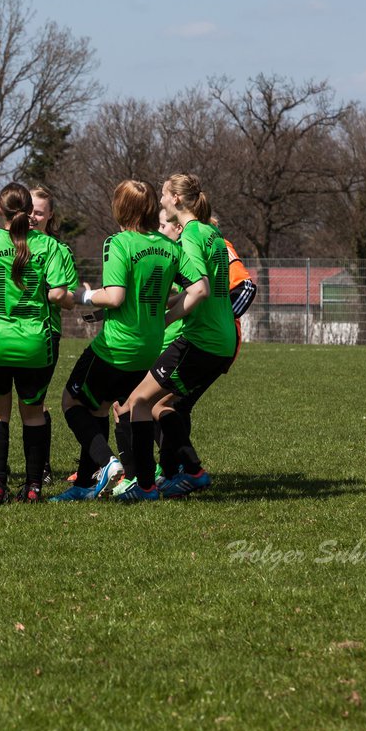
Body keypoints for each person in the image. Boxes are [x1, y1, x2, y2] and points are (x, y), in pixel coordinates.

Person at [50, 179, 203, 502]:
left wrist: (81, 295)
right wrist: (167, 318)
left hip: (116, 347)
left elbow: (116, 296)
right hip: (149, 347)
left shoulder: (118, 242)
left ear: (121, 207)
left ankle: (108, 463)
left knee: (71, 401)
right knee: (121, 408)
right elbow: (199, 288)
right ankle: (141, 485)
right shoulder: (168, 246)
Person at [113, 174, 238, 501]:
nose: (161, 202)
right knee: (162, 407)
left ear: (177, 200)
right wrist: (166, 302)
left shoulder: (193, 234)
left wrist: (163, 319)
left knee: (137, 403)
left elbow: (200, 290)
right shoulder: (212, 231)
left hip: (201, 340)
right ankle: (183, 473)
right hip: (221, 340)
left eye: (165, 196)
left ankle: (148, 484)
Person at [0, 183, 70, 503]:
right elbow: (60, 294)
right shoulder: (49, 246)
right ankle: (33, 486)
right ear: (29, 210)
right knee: (33, 413)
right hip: (35, 344)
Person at [29, 185, 79, 487]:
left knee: (36, 402)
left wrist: (53, 292)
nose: (32, 217)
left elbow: (70, 295)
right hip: (1, 333)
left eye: (39, 212)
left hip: (45, 333)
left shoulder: (60, 251)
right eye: (28, 210)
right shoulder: (5, 245)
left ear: (50, 216)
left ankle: (41, 466)